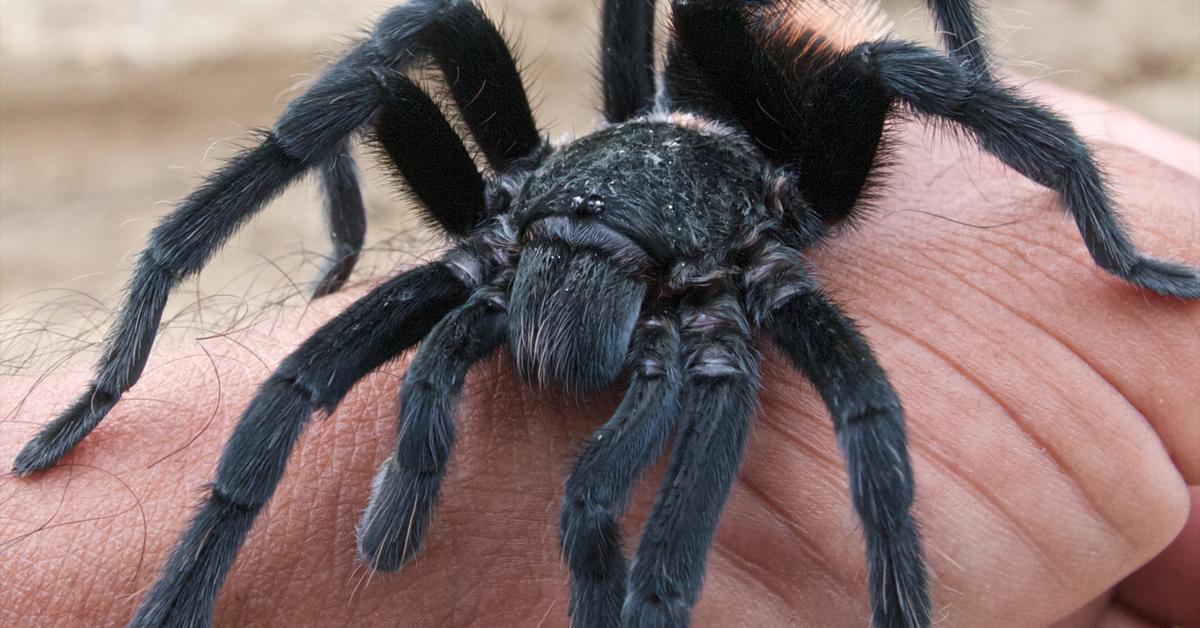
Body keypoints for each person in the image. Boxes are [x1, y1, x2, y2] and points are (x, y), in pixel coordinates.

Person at [1, 85, 1196, 627]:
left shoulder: (758, 282)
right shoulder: (504, 231)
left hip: (734, 223)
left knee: (859, 411)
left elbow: (871, 424)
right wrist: (123, 385)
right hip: (551, 213)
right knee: (415, 56)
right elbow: (380, 77)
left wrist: (1112, 244)